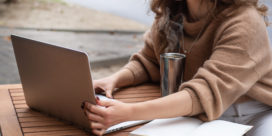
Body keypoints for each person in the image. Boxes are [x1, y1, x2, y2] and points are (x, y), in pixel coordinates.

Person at [82, 0, 272, 135]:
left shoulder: (245, 22)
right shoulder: (172, 10)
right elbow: (151, 61)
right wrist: (113, 80)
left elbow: (204, 93)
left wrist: (127, 113)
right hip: (196, 110)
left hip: (256, 113)